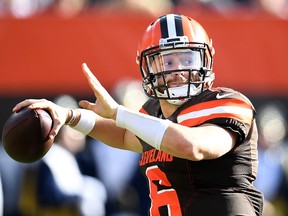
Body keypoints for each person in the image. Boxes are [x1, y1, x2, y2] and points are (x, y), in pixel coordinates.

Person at [12, 14, 264, 215]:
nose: (177, 70)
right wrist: (68, 116)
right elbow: (124, 136)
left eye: (185, 59)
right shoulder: (153, 112)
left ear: (204, 60)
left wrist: (119, 113)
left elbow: (191, 145)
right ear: (147, 67)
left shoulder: (227, 102)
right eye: (166, 62)